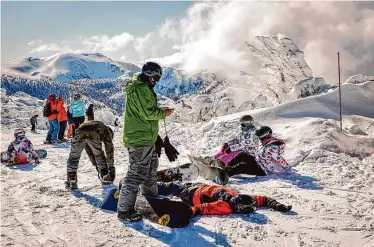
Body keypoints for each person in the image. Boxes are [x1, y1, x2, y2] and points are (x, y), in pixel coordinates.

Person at [117, 61, 176, 222]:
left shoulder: (142, 87)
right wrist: (164, 113)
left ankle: (151, 197)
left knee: (151, 169)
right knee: (136, 174)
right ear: (150, 74)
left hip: (145, 137)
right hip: (139, 139)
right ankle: (124, 211)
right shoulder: (141, 88)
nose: (157, 80)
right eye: (156, 76)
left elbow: (145, 112)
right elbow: (148, 113)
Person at [157, 182, 292, 215]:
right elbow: (263, 199)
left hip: (192, 195)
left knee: (175, 188)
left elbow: (203, 208)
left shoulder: (225, 206)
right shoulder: (240, 199)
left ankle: (153, 187)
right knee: (176, 187)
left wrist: (188, 212)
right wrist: (277, 205)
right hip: (202, 187)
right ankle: (157, 186)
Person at [65, 121, 115, 190]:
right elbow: (109, 150)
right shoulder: (106, 131)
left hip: (80, 131)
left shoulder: (98, 124)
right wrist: (111, 167)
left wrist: (96, 165)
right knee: (99, 155)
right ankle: (105, 176)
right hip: (94, 133)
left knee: (74, 157)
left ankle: (72, 180)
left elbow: (90, 152)